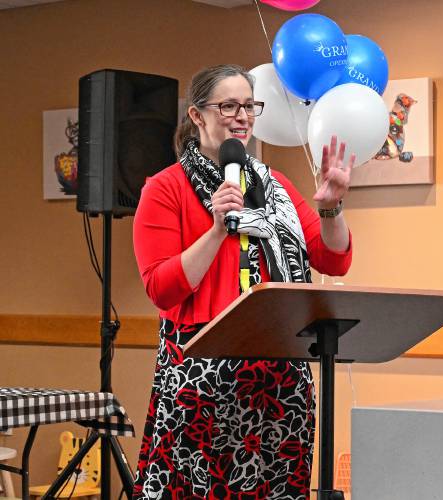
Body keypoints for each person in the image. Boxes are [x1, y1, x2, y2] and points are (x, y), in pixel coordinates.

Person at [132, 64, 353, 499]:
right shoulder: (166, 189)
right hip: (203, 379)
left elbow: (333, 259)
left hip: (278, 381)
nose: (242, 116)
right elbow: (162, 288)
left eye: (249, 106)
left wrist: (332, 208)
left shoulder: (276, 188)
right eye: (228, 106)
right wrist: (217, 228)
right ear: (196, 116)